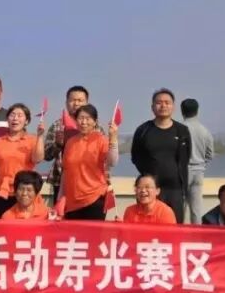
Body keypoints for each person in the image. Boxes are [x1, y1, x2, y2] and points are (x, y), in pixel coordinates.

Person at [130, 88, 192, 224]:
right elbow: (135, 156)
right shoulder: (143, 130)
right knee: (147, 226)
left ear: (173, 107)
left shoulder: (182, 131)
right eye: (159, 103)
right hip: (150, 189)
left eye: (167, 102)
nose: (163, 105)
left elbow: (186, 157)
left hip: (175, 188)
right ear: (152, 107)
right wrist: (148, 174)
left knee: (175, 226)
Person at [0, 103, 45, 219]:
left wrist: (40, 137)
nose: (15, 118)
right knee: (3, 223)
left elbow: (37, 159)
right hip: (2, 191)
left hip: (25, 192)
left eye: (20, 115)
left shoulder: (32, 140)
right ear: (7, 119)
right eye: (12, 115)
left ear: (26, 121)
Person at [61, 103, 119, 221]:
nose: (83, 122)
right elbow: (65, 171)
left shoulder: (101, 140)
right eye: (80, 118)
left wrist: (113, 138)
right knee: (73, 233)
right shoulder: (70, 142)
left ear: (95, 121)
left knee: (93, 233)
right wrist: (61, 198)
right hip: (72, 202)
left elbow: (112, 162)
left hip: (95, 199)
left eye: (88, 119)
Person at [44, 85, 90, 201]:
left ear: (87, 103)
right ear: (66, 103)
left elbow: (105, 157)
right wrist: (58, 144)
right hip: (61, 182)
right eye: (72, 100)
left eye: (80, 100)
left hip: (89, 182)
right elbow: (46, 155)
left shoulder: (95, 126)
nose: (76, 103)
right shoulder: (57, 125)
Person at [181, 98, 214, 224]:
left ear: (182, 111)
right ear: (197, 111)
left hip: (183, 171)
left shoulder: (179, 129)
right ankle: (197, 234)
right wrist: (201, 163)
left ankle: (178, 234)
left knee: (180, 208)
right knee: (196, 210)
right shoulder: (205, 131)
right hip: (199, 171)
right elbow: (210, 154)